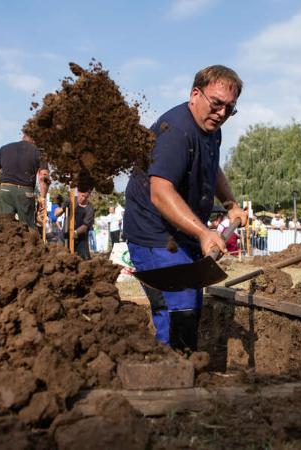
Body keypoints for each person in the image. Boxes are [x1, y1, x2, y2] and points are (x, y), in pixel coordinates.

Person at [123, 65, 247, 351]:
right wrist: (204, 233)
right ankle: (171, 374)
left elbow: (211, 168)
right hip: (156, 235)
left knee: (190, 301)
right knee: (176, 307)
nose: (221, 113)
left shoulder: (210, 129)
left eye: (230, 108)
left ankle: (185, 366)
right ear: (195, 94)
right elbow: (160, 192)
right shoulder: (177, 131)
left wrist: (231, 204)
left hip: (182, 234)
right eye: (216, 103)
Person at [0, 134, 50, 230]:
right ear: (35, 140)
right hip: (25, 193)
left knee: (3, 227)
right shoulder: (39, 152)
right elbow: (44, 176)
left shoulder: (5, 148)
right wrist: (43, 198)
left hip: (5, 190)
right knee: (28, 229)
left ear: (23, 137)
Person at [62, 186, 95, 259]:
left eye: (86, 197)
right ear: (79, 192)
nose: (83, 198)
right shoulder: (71, 201)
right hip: (65, 235)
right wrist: (62, 208)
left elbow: (85, 226)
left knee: (84, 259)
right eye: (82, 196)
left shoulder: (90, 208)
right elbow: (56, 213)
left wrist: (75, 233)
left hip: (81, 238)